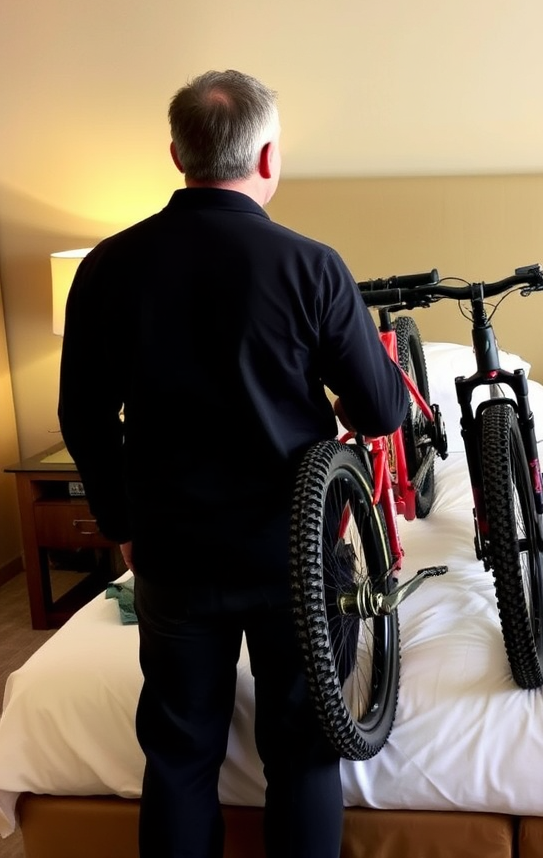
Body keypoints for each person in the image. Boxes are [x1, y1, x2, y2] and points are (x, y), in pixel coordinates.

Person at [58, 69, 409, 858]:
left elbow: (81, 418)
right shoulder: (312, 266)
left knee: (180, 755)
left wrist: (123, 526)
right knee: (303, 751)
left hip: (174, 550)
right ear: (269, 156)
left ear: (177, 154)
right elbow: (383, 412)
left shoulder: (107, 267)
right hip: (294, 552)